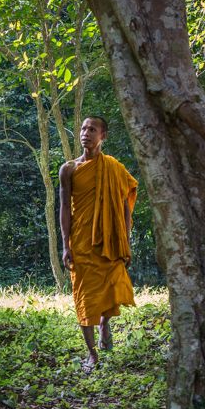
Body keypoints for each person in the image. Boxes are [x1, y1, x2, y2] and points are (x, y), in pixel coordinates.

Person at [58, 116, 138, 371]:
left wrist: (125, 238)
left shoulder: (114, 168)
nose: (86, 133)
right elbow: (64, 210)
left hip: (111, 241)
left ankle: (105, 324)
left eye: (92, 129)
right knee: (84, 295)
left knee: (112, 284)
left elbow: (125, 204)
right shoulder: (68, 169)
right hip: (81, 241)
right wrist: (65, 245)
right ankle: (92, 353)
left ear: (103, 136)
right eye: (83, 128)